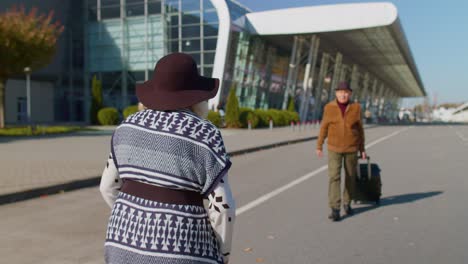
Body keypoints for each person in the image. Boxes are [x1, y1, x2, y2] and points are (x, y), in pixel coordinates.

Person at [100, 53, 236, 264]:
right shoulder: (205, 133)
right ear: (198, 96)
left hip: (121, 245)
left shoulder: (126, 126)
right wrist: (223, 254)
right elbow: (222, 207)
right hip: (183, 252)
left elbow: (107, 187)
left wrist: (137, 222)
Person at [316, 81, 366, 221]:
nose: (343, 95)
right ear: (336, 93)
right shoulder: (329, 108)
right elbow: (324, 127)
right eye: (340, 92)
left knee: (350, 176)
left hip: (351, 148)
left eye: (346, 92)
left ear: (349, 94)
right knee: (334, 177)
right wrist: (319, 145)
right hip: (334, 148)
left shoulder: (356, 108)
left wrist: (362, 149)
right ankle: (335, 208)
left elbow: (360, 130)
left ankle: (347, 203)